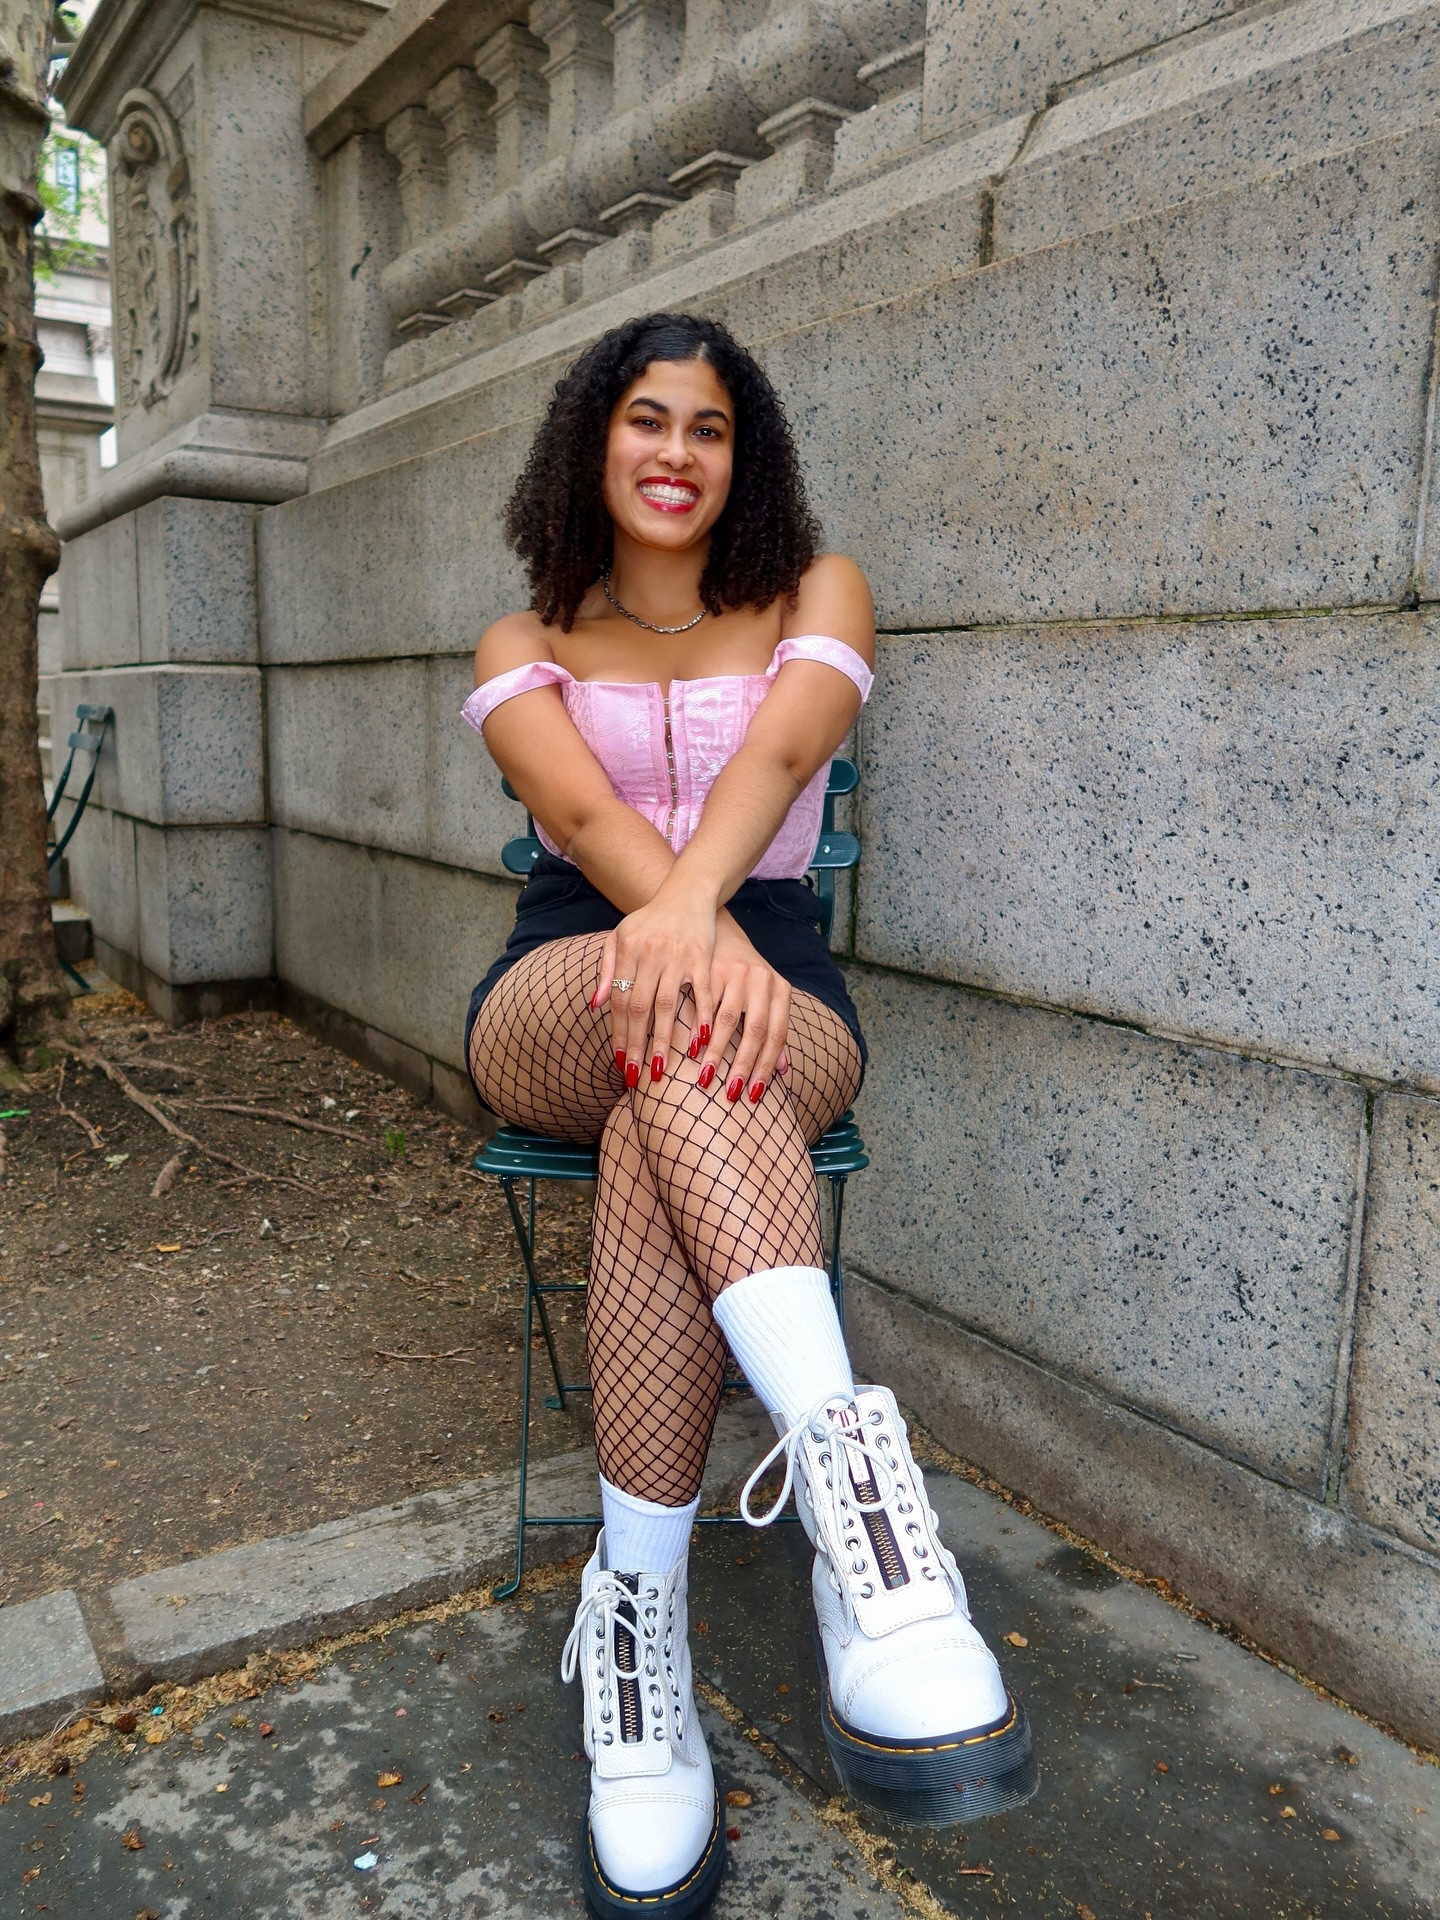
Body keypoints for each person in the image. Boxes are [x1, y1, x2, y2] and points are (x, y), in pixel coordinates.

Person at [463, 313, 1035, 1919]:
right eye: (645, 420)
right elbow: (575, 812)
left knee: (677, 1085)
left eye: (707, 428)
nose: (673, 452)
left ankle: (637, 1637)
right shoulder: (522, 641)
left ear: (745, 457)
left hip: (776, 994)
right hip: (559, 986)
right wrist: (669, 931)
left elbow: (781, 760)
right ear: (596, 442)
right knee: (654, 1022)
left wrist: (703, 926)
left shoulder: (817, 598)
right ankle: (879, 1550)